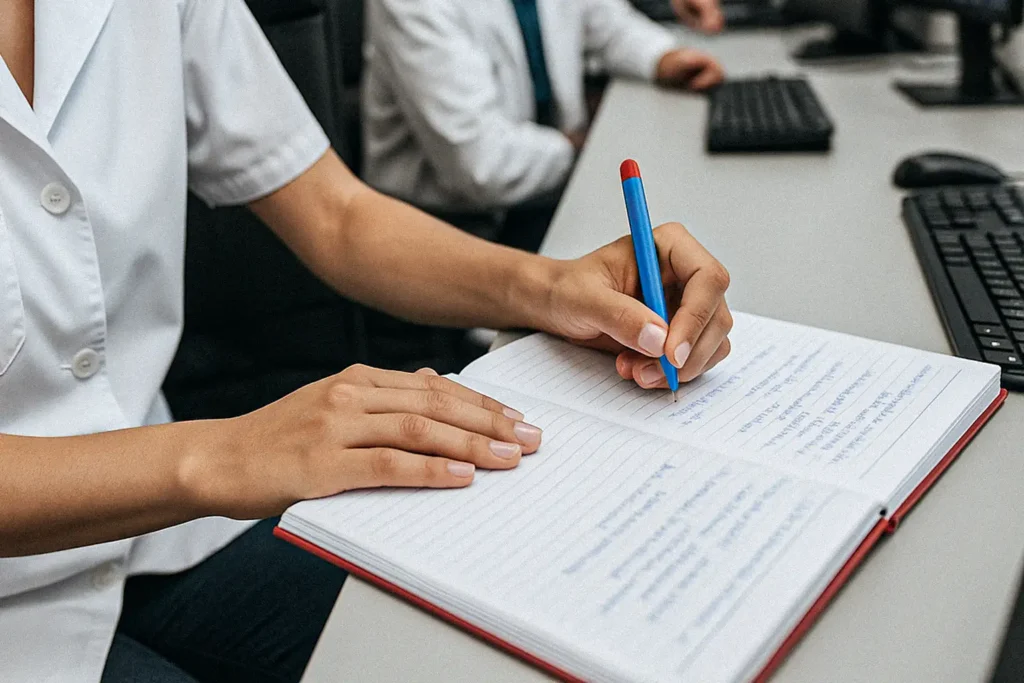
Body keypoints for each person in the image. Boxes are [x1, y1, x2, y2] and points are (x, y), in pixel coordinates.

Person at [0, 1, 733, 682]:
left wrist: (552, 289)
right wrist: (225, 453)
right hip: (36, 590)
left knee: (492, 644)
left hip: (154, 543)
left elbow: (335, 215)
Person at [361, 0, 726, 251]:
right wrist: (583, 148)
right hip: (457, 226)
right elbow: (482, 166)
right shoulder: (413, 4)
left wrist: (661, 57)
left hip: (547, 189)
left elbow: (607, 22)